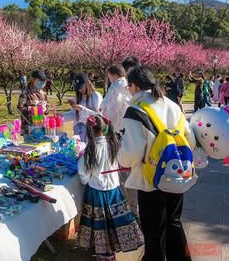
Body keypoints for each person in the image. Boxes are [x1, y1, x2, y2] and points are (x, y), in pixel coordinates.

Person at [118, 66, 195, 261]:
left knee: (153, 229)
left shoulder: (136, 110)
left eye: (129, 86)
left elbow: (131, 153)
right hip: (177, 173)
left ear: (134, 86)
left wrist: (122, 160)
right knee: (173, 221)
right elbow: (190, 140)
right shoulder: (172, 105)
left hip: (150, 178)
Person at [77, 115, 144, 261]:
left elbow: (83, 173)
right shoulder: (114, 144)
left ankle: (104, 253)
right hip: (113, 190)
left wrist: (86, 179)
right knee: (113, 221)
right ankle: (113, 248)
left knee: (99, 223)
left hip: (96, 192)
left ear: (90, 131)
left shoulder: (90, 150)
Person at [99, 64, 136, 217]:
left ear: (112, 74)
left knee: (123, 173)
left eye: (108, 76)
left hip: (119, 135)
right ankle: (133, 208)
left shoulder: (115, 87)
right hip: (129, 134)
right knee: (128, 172)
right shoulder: (128, 87)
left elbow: (102, 108)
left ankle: (128, 209)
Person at [63, 73, 103, 142]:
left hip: (91, 134)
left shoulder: (96, 96)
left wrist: (82, 109)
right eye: (78, 88)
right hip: (78, 132)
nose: (80, 90)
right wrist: (61, 116)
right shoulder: (78, 97)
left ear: (87, 83)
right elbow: (74, 115)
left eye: (81, 87)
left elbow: (99, 117)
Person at [17, 70, 50, 135]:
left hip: (42, 127)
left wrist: (46, 109)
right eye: (39, 81)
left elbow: (47, 110)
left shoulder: (43, 93)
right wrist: (34, 109)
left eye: (44, 81)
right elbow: (19, 109)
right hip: (29, 129)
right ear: (33, 79)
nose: (42, 83)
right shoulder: (25, 93)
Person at [100, 64, 130, 133]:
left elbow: (107, 97)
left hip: (115, 111)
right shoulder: (127, 83)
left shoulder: (115, 85)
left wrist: (101, 106)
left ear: (115, 75)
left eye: (109, 77)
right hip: (125, 110)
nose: (110, 80)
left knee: (114, 128)